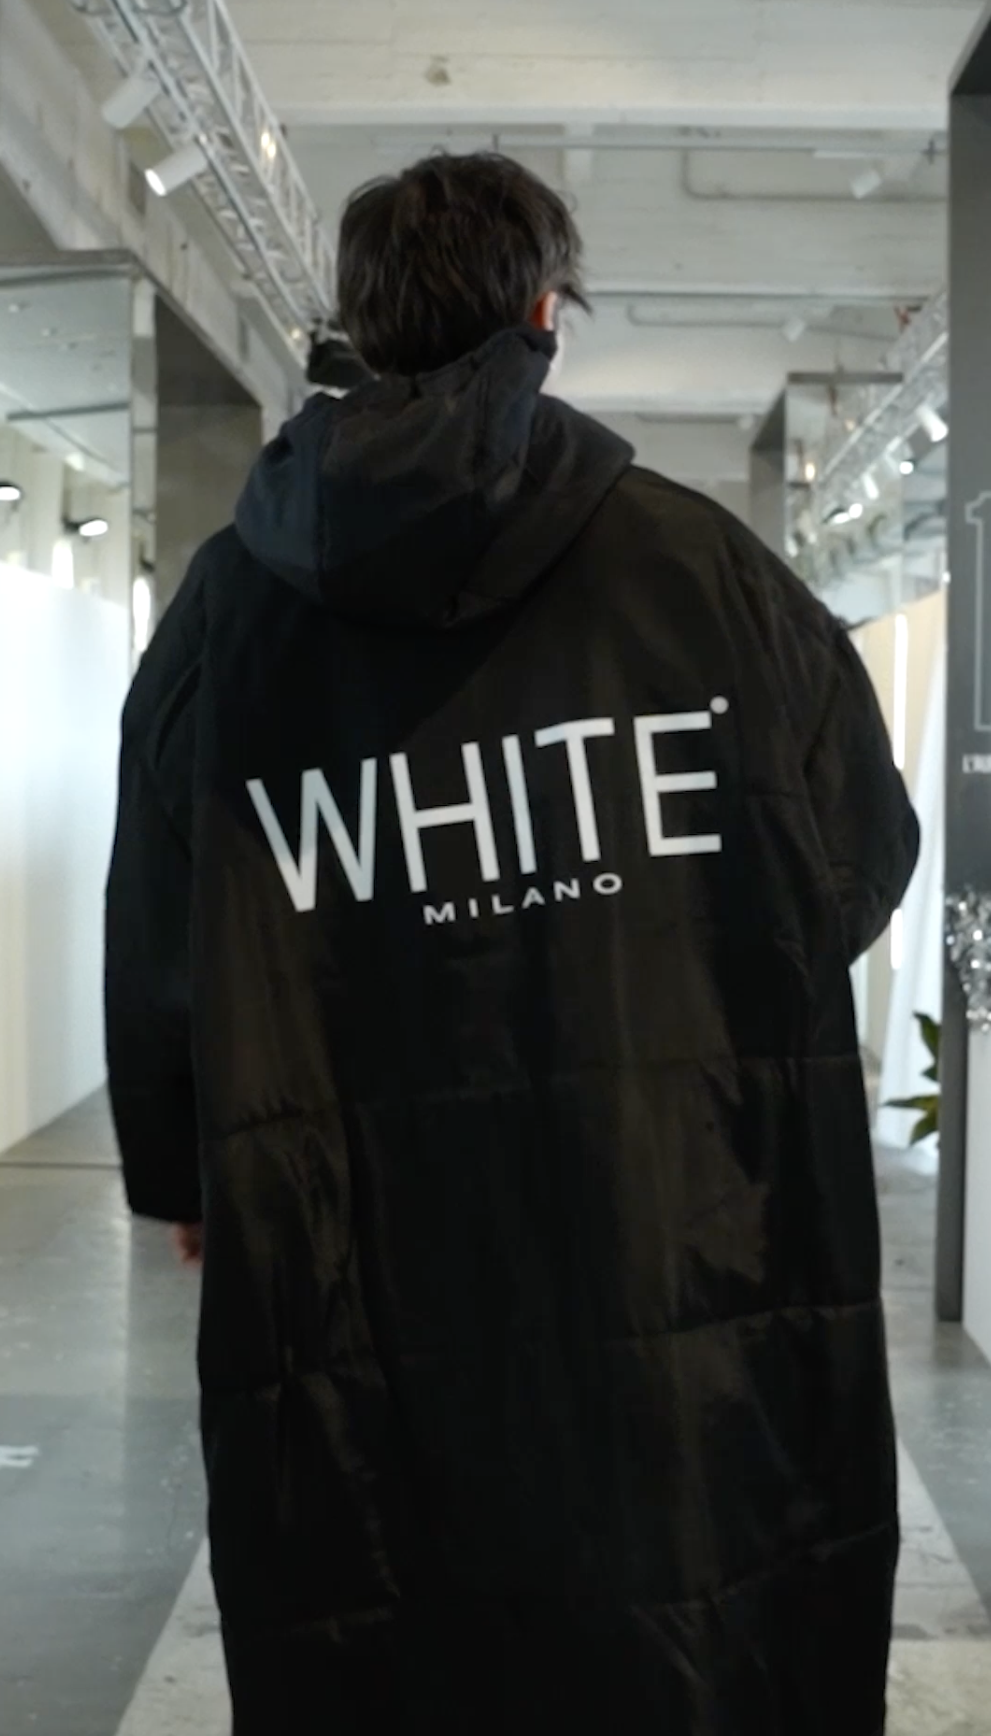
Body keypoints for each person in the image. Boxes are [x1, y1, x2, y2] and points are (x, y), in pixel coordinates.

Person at [105, 152, 919, 1736]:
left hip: (353, 1219)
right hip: (671, 1200)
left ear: (359, 329)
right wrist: (691, 962)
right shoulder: (709, 577)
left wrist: (186, 1161)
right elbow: (860, 858)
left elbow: (161, 917)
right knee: (682, 1583)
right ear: (546, 314)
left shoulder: (229, 611)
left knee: (385, 1591)